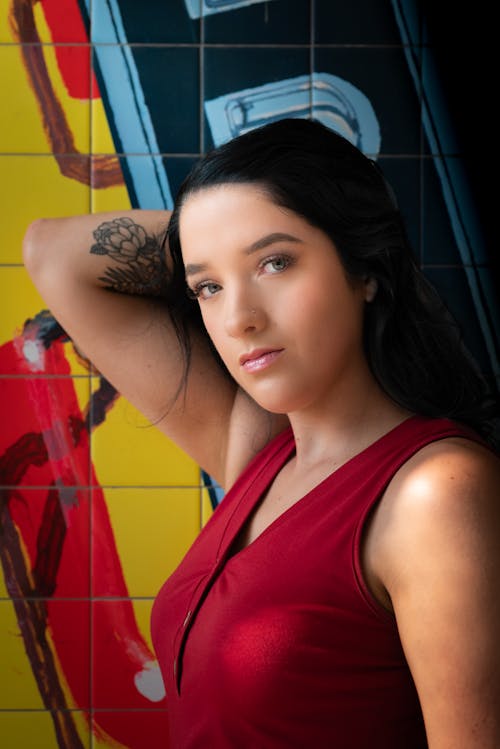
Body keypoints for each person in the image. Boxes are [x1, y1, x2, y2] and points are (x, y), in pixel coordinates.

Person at [23, 117, 500, 748]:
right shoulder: (260, 450)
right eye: (209, 288)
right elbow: (50, 252)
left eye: (277, 263)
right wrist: (225, 240)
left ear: (365, 270)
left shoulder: (433, 491)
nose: (239, 319)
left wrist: (260, 233)